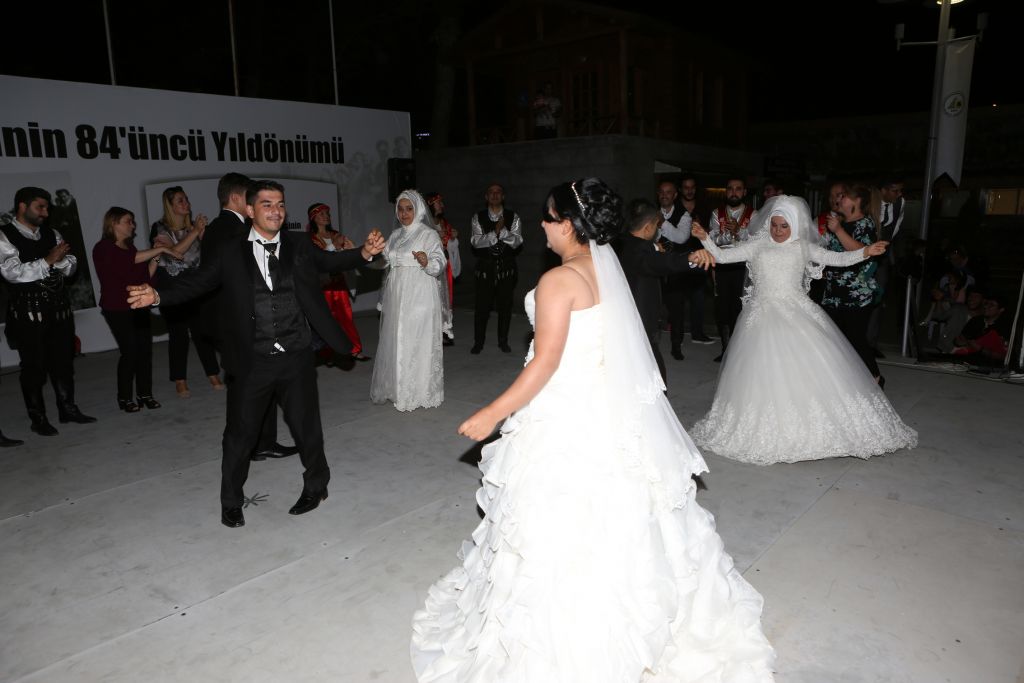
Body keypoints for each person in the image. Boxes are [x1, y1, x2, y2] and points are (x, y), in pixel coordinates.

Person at [411, 178, 775, 682]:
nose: (541, 223)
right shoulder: (609, 271)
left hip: (566, 409)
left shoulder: (561, 282)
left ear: (568, 224)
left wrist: (493, 412)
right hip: (607, 406)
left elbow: (545, 363)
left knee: (556, 528)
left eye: (548, 216)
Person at [127, 180, 386, 528]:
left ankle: (316, 486)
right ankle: (230, 500)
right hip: (252, 360)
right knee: (239, 434)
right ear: (250, 210)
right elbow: (198, 282)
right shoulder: (231, 251)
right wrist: (157, 296)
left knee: (307, 428)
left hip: (295, 356)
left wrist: (365, 253)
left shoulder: (298, 244)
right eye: (266, 204)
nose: (276, 210)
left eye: (280, 204)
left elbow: (330, 260)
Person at [689, 195, 917, 464]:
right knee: (761, 375)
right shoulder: (758, 246)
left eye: (784, 226)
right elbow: (721, 256)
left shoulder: (802, 248)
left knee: (811, 371)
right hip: (761, 316)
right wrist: (705, 238)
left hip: (797, 313)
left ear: (795, 226)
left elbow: (836, 259)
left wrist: (865, 252)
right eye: (774, 225)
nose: (778, 231)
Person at [199, 173, 299, 461]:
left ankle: (262, 441)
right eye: (251, 198)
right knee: (244, 391)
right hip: (235, 322)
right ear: (236, 198)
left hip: (245, 321)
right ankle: (251, 445)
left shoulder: (228, 227)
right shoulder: (229, 230)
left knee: (258, 383)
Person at [0, 186, 96, 436]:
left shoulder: (52, 234)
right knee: (33, 367)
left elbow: (71, 266)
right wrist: (47, 261)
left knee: (64, 361)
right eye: (39, 207)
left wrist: (61, 261)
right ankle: (38, 417)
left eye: (47, 207)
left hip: (59, 309)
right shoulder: (4, 236)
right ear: (22, 206)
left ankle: (67, 408)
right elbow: (12, 273)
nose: (45, 212)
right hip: (28, 313)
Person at [617, 198, 713, 382]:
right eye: (656, 225)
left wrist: (654, 248)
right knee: (654, 376)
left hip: (627, 316)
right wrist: (690, 258)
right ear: (647, 228)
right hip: (641, 321)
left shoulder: (624, 243)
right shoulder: (641, 254)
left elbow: (650, 256)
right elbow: (663, 263)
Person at [370, 190, 447, 411]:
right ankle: (400, 389)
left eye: (409, 208)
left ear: (418, 209)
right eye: (401, 209)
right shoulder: (395, 236)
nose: (404, 214)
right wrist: (362, 254)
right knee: (398, 339)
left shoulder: (427, 234)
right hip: (397, 294)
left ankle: (419, 392)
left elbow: (440, 263)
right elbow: (383, 262)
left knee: (417, 341)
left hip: (420, 293)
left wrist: (427, 261)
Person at [92, 207, 173, 412]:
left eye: (133, 221)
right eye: (128, 221)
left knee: (144, 351)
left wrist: (155, 256)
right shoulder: (103, 248)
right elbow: (126, 262)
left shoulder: (131, 249)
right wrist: (160, 249)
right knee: (130, 352)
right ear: (114, 224)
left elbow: (145, 276)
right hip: (117, 308)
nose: (133, 225)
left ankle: (145, 394)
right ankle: (124, 397)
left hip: (138, 304)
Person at [150, 185, 221, 398]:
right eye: (180, 200)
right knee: (178, 334)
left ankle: (213, 373)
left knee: (203, 332)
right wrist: (195, 232)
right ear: (170, 206)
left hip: (196, 287)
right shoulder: (159, 228)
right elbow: (173, 253)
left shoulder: (195, 227)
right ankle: (180, 379)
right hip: (172, 288)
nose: (186, 203)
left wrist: (203, 234)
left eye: (186, 199)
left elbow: (207, 254)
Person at [821, 183, 885, 385]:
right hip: (833, 292)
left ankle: (875, 378)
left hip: (856, 294)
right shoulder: (837, 223)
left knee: (855, 339)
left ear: (857, 201)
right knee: (833, 340)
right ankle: (843, 381)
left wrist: (838, 231)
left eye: (844, 196)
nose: (838, 200)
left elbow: (864, 252)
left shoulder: (864, 224)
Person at [307, 202, 371, 363]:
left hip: (338, 284)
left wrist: (349, 249)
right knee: (325, 320)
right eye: (322, 214)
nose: (326, 216)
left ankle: (355, 349)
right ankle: (327, 352)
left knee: (346, 317)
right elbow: (317, 261)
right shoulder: (311, 239)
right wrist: (333, 245)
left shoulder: (336, 234)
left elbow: (347, 257)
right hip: (322, 287)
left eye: (328, 213)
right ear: (313, 217)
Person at [469, 183, 523, 354]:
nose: (494, 195)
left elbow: (517, 241)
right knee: (482, 307)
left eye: (498, 192)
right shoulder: (478, 217)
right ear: (486, 197)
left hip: (506, 267)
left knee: (505, 306)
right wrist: (494, 233)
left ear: (503, 196)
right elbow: (476, 242)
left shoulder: (513, 217)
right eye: (491, 192)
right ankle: (479, 342)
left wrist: (503, 232)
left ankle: (503, 341)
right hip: (485, 268)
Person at [708, 175, 754, 361]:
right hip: (723, 266)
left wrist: (738, 232)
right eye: (730, 188)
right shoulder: (715, 214)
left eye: (738, 188)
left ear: (744, 192)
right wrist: (726, 235)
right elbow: (711, 241)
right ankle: (726, 349)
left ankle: (740, 350)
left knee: (741, 308)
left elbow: (757, 242)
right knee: (722, 309)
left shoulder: (754, 215)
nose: (733, 192)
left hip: (744, 267)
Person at [654, 180, 693, 360]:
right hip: (655, 268)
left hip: (676, 270)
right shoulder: (650, 212)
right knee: (653, 307)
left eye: (668, 192)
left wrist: (661, 223)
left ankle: (676, 346)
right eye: (662, 192)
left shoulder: (684, 215)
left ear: (675, 195)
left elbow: (681, 237)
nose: (664, 195)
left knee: (676, 310)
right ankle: (651, 345)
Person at [424, 192, 460, 346]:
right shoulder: (424, 225)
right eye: (439, 203)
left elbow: (449, 246)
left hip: (444, 268)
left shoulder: (444, 224)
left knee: (444, 301)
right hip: (429, 268)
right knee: (429, 302)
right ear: (430, 205)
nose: (442, 206)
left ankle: (441, 331)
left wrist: (452, 238)